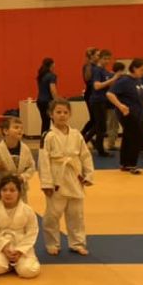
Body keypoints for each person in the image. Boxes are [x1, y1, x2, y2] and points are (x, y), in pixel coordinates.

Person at [38, 98, 94, 255]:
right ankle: (52, 243)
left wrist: (88, 174)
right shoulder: (48, 136)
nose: (62, 115)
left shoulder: (76, 135)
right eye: (58, 112)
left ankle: (77, 242)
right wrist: (46, 183)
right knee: (52, 215)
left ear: (70, 114)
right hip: (57, 179)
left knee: (76, 214)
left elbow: (85, 156)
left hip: (74, 176)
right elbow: (43, 161)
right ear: (51, 114)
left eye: (65, 112)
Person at [107, 58, 143, 174]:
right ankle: (132, 164)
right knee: (137, 136)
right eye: (142, 70)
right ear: (134, 68)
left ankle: (125, 164)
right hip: (127, 113)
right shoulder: (124, 81)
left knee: (128, 137)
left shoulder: (139, 81)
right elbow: (110, 94)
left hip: (138, 114)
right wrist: (120, 105)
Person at [0, 174, 41, 279]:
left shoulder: (27, 210)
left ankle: (18, 263)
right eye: (4, 190)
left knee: (28, 271)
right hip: (1, 247)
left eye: (12, 190)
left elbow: (32, 232)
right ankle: (10, 265)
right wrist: (4, 248)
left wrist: (20, 251)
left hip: (21, 245)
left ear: (19, 192)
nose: (8, 193)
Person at [0, 116, 36, 202]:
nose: (20, 130)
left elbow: (31, 167)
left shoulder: (25, 149)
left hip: (21, 188)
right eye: (16, 127)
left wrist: (23, 177)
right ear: (6, 131)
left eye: (21, 128)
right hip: (4, 188)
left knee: (21, 209)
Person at [88, 50, 120, 157]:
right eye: (105, 59)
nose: (107, 61)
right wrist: (113, 79)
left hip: (103, 100)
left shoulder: (104, 71)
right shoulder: (97, 70)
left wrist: (115, 78)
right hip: (97, 101)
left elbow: (108, 84)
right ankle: (99, 149)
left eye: (108, 59)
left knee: (100, 126)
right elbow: (97, 86)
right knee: (100, 126)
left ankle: (88, 143)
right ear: (100, 58)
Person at [105, 61, 126, 152]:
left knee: (114, 125)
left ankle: (111, 143)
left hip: (112, 105)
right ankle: (110, 144)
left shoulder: (111, 76)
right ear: (120, 70)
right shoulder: (113, 77)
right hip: (111, 105)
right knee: (113, 125)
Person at [36, 57, 60, 135]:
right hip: (48, 102)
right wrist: (57, 101)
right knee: (57, 122)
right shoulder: (51, 76)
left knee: (45, 123)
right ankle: (58, 138)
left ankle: (43, 139)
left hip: (40, 101)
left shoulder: (41, 76)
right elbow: (52, 89)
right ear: (52, 65)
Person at [80, 47, 99, 143]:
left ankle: (81, 137)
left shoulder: (96, 66)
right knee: (97, 121)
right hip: (91, 95)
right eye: (97, 55)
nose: (99, 57)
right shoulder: (88, 66)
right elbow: (88, 79)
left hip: (94, 94)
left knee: (94, 120)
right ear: (92, 56)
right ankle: (84, 138)